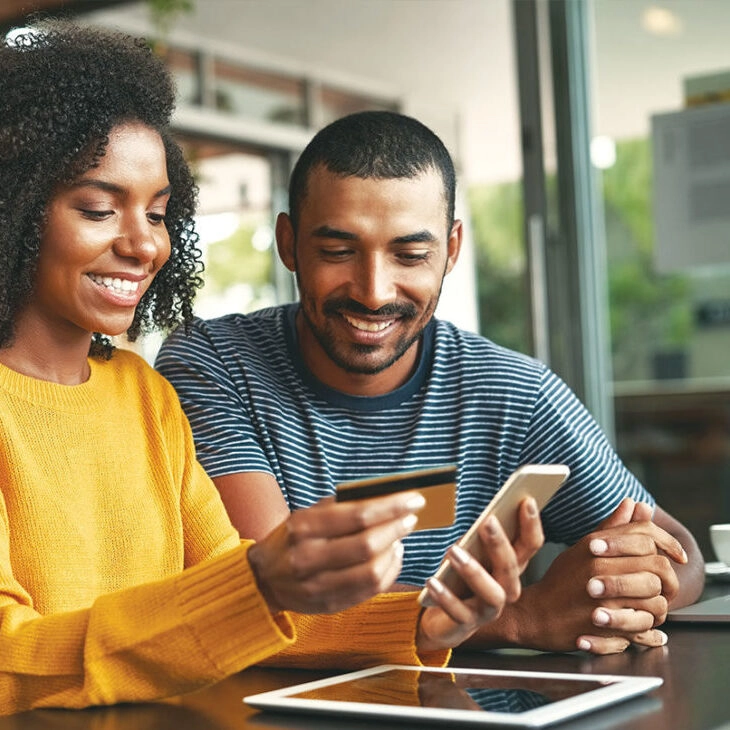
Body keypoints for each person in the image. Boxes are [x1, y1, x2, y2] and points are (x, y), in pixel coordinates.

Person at [0, 24, 544, 716]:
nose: (142, 244)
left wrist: (419, 621)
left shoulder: (144, 396)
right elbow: (9, 660)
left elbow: (238, 612)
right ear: (13, 209)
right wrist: (258, 583)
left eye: (160, 214)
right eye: (99, 209)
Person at [157, 109, 706, 656]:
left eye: (410, 255)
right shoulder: (214, 364)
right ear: (289, 242)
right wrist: (523, 618)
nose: (374, 292)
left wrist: (613, 592)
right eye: (338, 251)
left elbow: (681, 555)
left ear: (452, 250)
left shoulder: (512, 392)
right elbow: (271, 596)